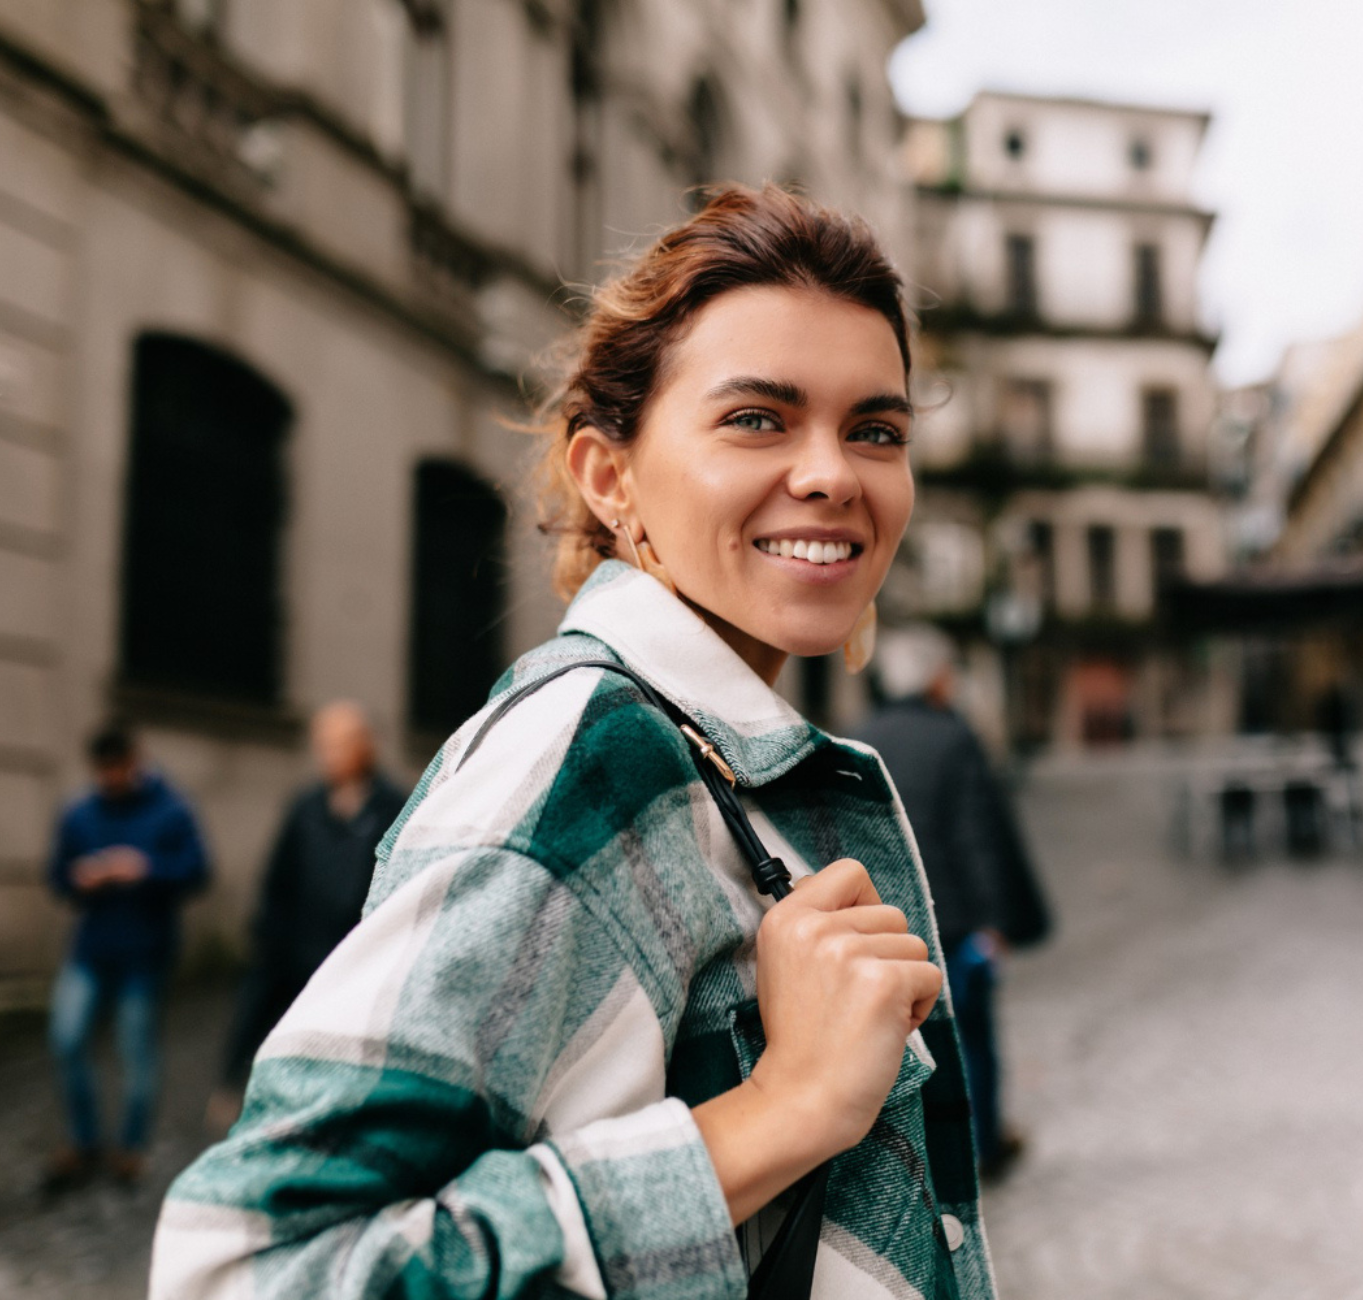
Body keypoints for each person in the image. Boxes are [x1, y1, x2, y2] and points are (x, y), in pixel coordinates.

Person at [152, 184, 998, 1300]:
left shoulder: (724, 762)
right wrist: (777, 1111)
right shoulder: (592, 756)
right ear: (612, 476)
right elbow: (248, 1268)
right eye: (758, 418)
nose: (834, 474)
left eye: (874, 429)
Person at [855, 626, 1051, 1181]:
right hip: (957, 924)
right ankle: (981, 1144)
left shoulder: (859, 737)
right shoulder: (953, 737)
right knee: (973, 1041)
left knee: (900, 1043)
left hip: (887, 924)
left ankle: (919, 1154)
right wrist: (995, 923)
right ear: (936, 680)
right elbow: (978, 837)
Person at [206, 701, 406, 1132]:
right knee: (263, 1019)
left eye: (338, 745)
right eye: (323, 746)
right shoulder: (307, 807)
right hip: (296, 949)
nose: (328, 756)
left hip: (355, 958)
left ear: (364, 747)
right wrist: (269, 936)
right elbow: (279, 876)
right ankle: (237, 1090)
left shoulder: (393, 807)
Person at [43, 723, 210, 1192]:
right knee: (67, 1039)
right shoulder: (80, 813)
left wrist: (147, 868)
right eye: (102, 771)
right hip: (91, 949)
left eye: (116, 769)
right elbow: (56, 876)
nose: (109, 779)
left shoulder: (171, 809)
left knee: (136, 1051)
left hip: (145, 954)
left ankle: (130, 1148)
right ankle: (84, 1139)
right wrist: (80, 877)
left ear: (133, 762)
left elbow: (198, 870)